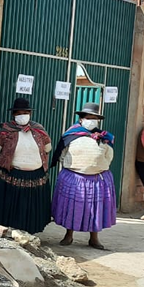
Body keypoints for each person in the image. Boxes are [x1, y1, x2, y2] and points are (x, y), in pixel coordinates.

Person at [51, 103, 116, 250]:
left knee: (95, 209)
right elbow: (62, 154)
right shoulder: (70, 135)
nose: (91, 121)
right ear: (81, 119)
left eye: (94, 118)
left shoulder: (105, 138)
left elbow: (109, 157)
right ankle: (69, 235)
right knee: (73, 207)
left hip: (98, 179)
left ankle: (94, 238)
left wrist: (97, 167)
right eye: (88, 118)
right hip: (75, 177)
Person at [0, 98, 52, 234]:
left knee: (31, 206)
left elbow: (48, 147)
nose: (23, 115)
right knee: (13, 205)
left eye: (26, 112)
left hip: (36, 175)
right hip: (13, 174)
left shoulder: (38, 130)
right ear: (13, 115)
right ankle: (10, 232)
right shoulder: (6, 131)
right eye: (19, 113)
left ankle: (30, 232)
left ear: (30, 114)